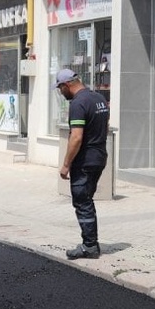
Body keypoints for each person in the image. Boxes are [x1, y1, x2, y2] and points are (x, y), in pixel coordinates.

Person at [54, 68, 110, 259]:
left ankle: (89, 246)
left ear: (66, 84)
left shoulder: (78, 103)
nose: (61, 93)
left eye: (60, 89)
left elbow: (76, 137)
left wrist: (66, 164)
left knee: (82, 201)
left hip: (85, 160)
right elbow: (105, 127)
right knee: (87, 199)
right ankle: (91, 242)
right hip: (100, 157)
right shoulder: (99, 99)